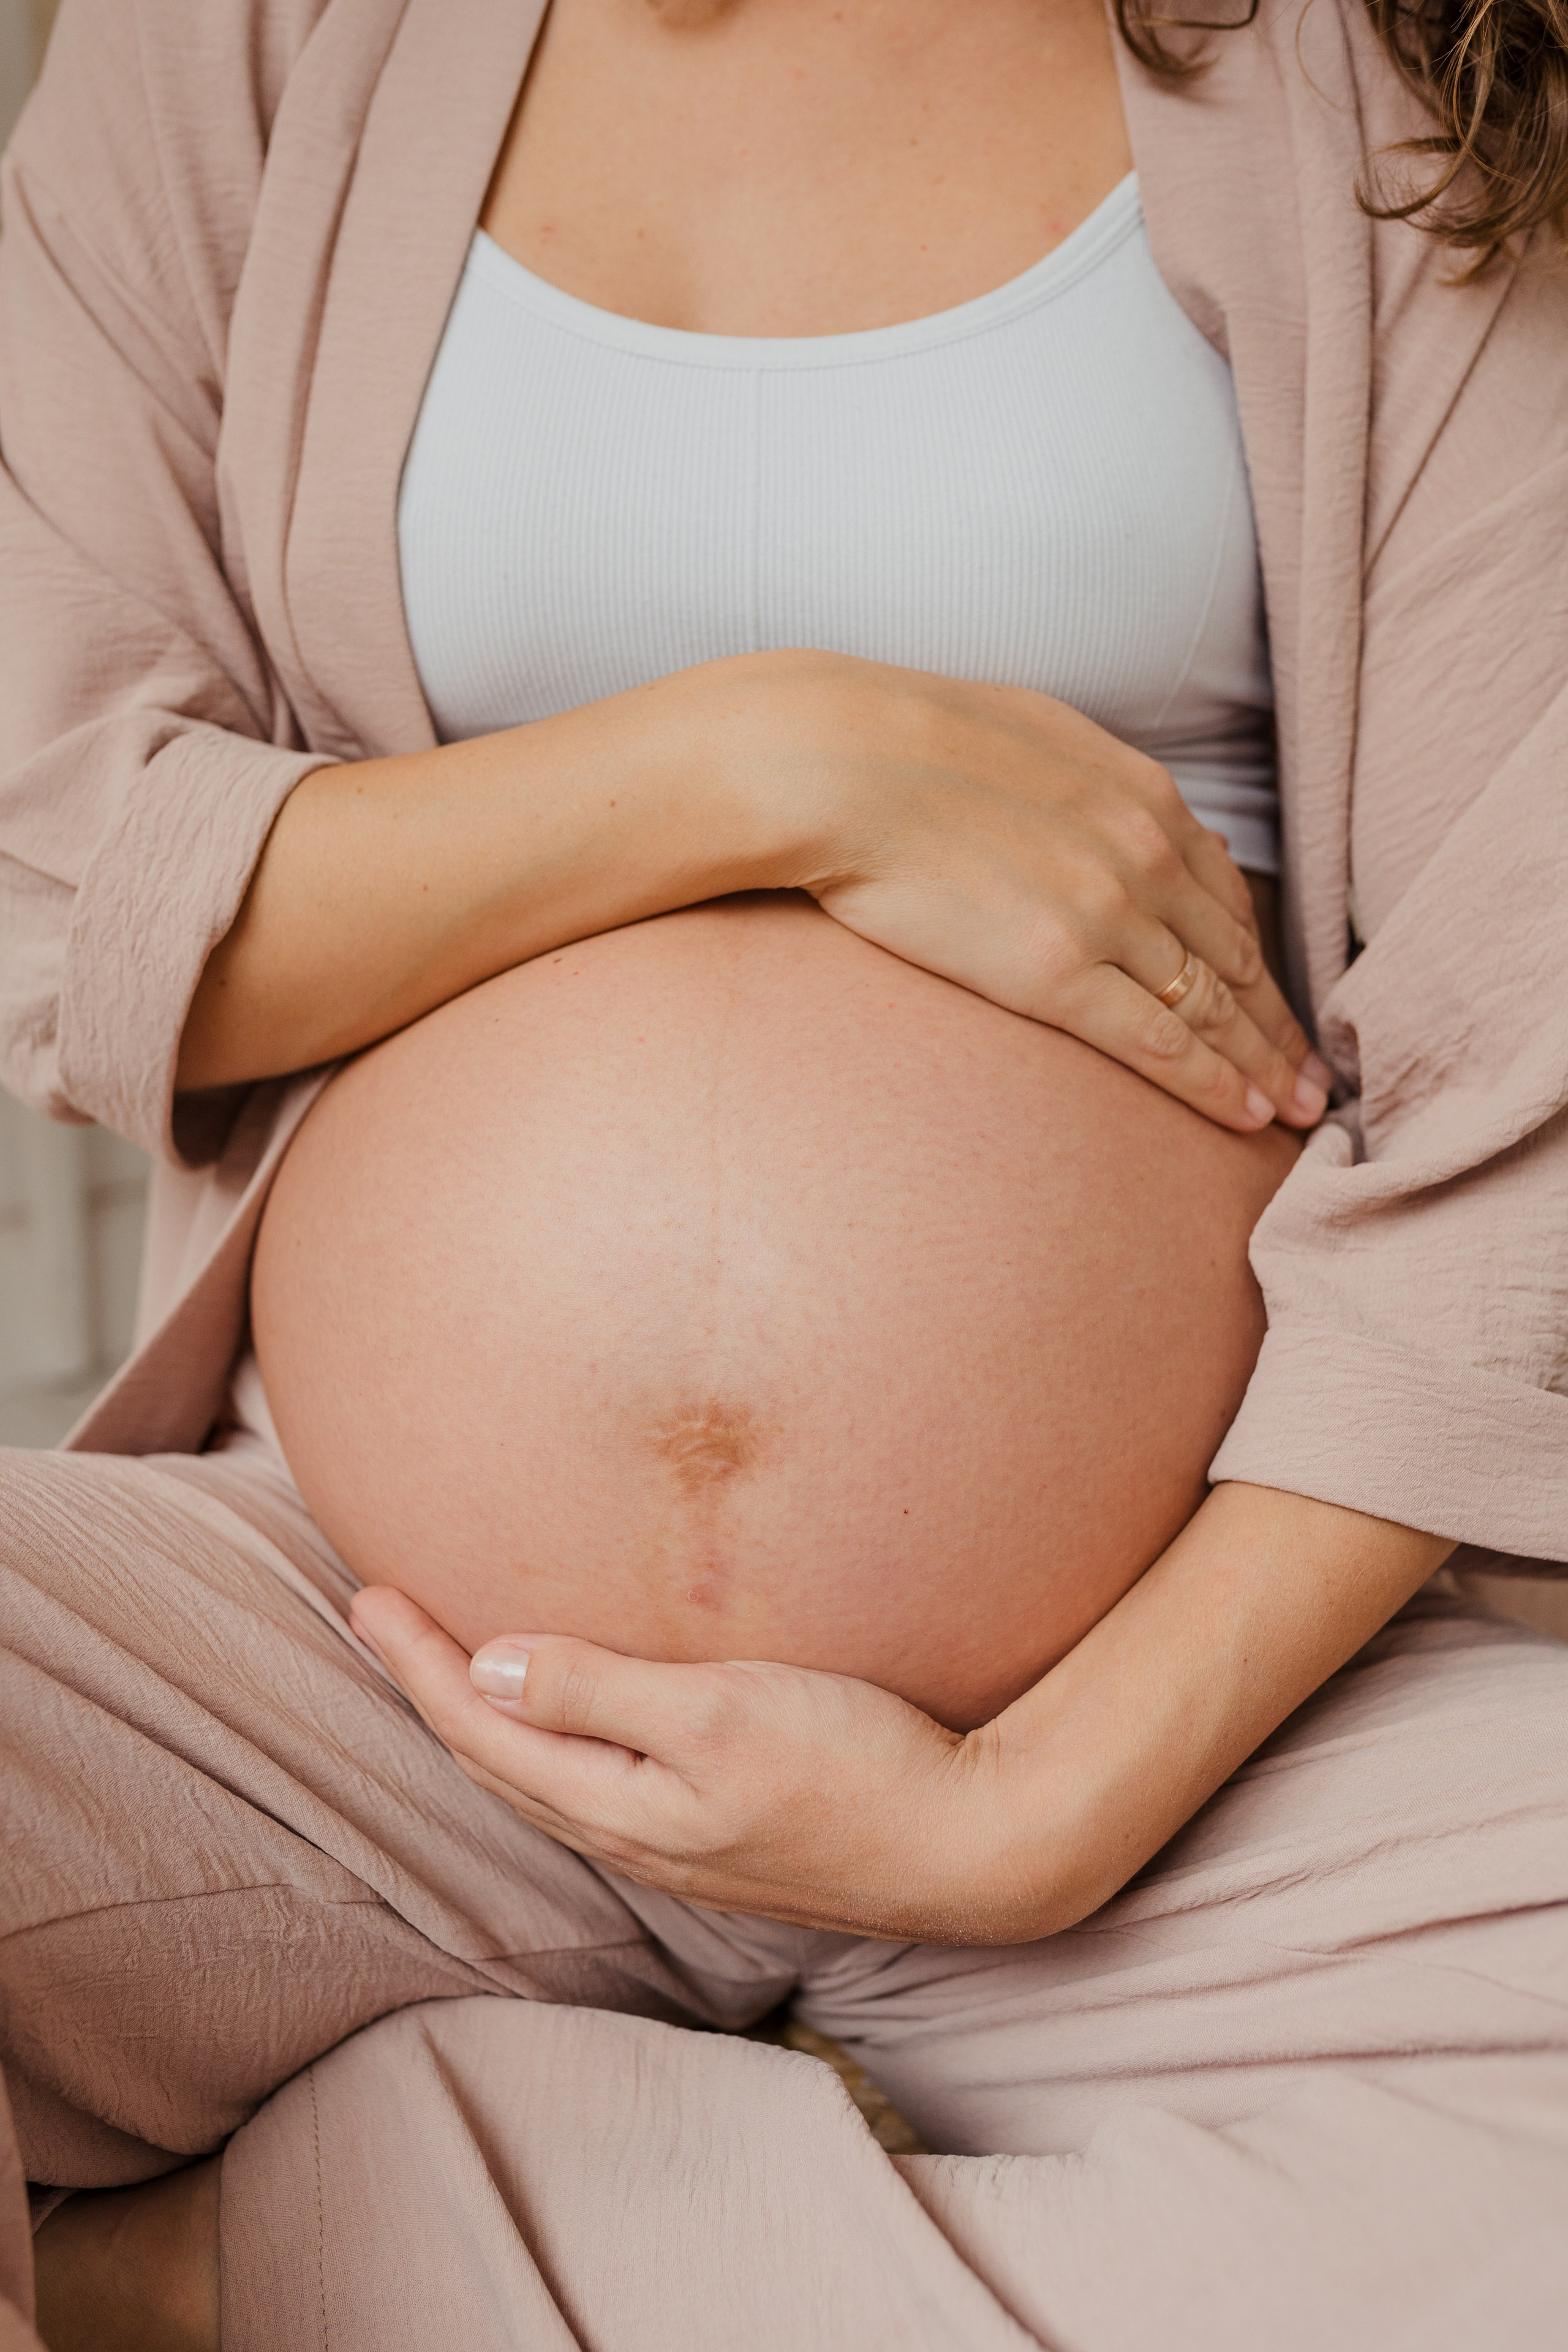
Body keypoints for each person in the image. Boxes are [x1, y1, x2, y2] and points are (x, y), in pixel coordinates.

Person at [2, 0, 1566, 2346]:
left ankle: (256, 2276)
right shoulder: (228, 37)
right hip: (363, 1668)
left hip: (1206, 1721)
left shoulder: (1401, 56)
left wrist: (1041, 1806)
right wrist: (782, 762)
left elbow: (1533, 1026)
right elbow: (54, 894)